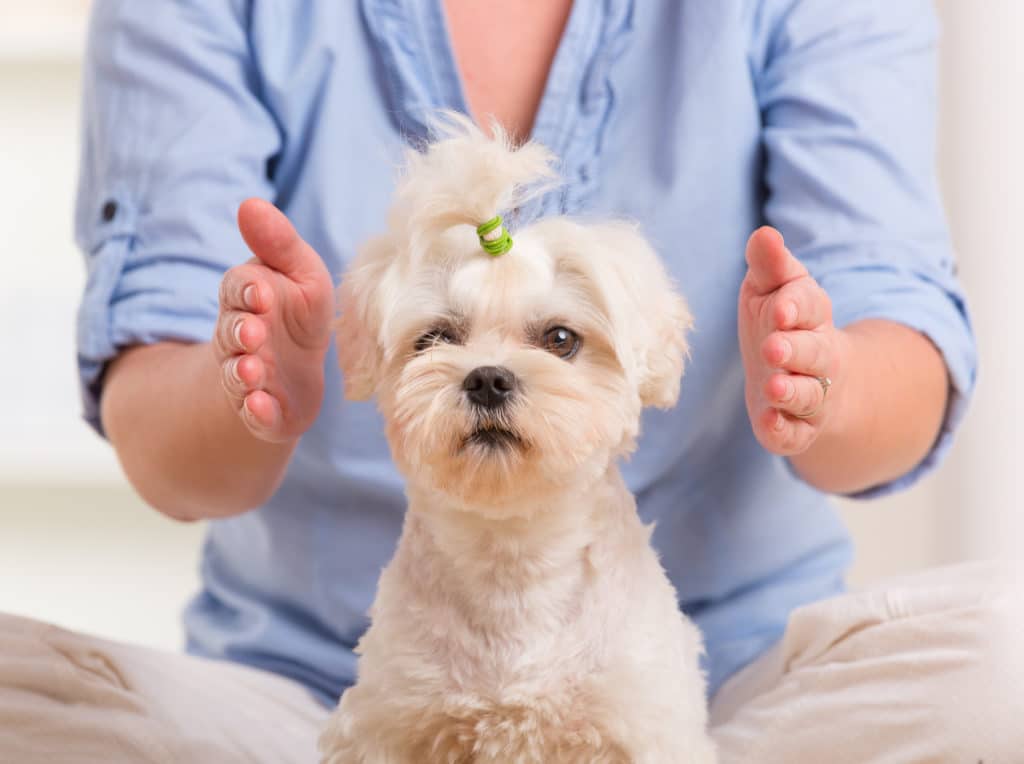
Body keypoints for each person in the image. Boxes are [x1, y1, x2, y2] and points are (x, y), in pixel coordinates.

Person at [1, 1, 1019, 762]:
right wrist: (254, 389)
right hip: (304, 688)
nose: (487, 374)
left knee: (1001, 658)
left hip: (739, 686)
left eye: (556, 340)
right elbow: (167, 445)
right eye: (442, 336)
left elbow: (898, 321)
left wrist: (823, 381)